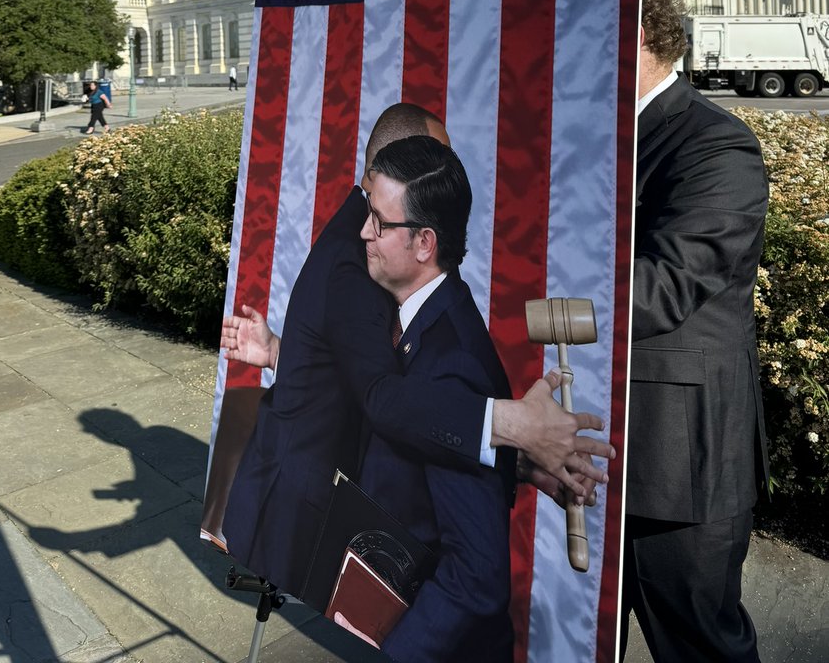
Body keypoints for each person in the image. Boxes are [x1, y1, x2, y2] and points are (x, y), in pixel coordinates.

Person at [222, 103, 611, 597]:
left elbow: (352, 368)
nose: (447, 183)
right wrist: (513, 425)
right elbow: (382, 399)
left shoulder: (363, 238)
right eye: (432, 163)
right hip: (296, 513)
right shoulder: (359, 263)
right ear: (389, 174)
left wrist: (521, 461)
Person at [621, 0, 769, 663]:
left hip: (674, 460)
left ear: (640, 36)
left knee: (700, 647)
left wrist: (521, 302)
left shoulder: (715, 146)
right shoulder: (597, 135)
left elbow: (663, 288)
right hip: (578, 443)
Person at [344, 135, 515, 662]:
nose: (364, 232)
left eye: (379, 222)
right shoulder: (424, 319)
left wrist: (401, 653)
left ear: (424, 243)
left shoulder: (450, 363)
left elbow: (478, 574)